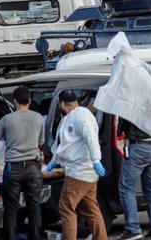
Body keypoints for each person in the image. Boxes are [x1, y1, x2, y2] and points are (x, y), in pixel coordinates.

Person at [46, 90, 107, 240]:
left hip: (79, 171)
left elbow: (91, 138)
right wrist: (55, 160)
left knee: (66, 207)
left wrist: (96, 160)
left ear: (61, 103)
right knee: (91, 209)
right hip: (86, 172)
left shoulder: (80, 117)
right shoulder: (74, 117)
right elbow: (67, 144)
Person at [0, 86, 45, 240]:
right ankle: (36, 237)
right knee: (34, 206)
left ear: (14, 101)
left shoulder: (7, 119)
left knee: (11, 208)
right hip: (33, 167)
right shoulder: (38, 118)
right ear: (30, 101)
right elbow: (41, 142)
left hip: (13, 168)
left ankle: (11, 236)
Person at [117, 116, 151, 240]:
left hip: (139, 147)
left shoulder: (132, 104)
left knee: (126, 188)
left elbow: (121, 128)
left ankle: (132, 229)